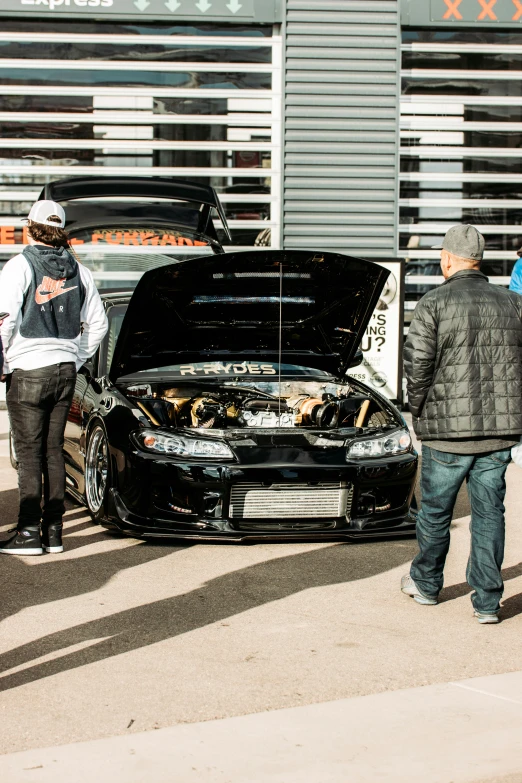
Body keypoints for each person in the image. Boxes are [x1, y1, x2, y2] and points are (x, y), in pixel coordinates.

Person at [401, 225, 522, 624]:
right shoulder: (513, 302)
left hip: (447, 432)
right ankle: (487, 603)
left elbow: (417, 367)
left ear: (448, 259)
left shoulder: (433, 302)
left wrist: (418, 410)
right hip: (499, 431)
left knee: (434, 512)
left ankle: (426, 584)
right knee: (490, 515)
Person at [0, 200, 108, 556]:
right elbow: (99, 324)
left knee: (29, 454)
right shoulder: (80, 270)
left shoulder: (19, 266)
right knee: (53, 451)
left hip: (29, 370)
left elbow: (4, 321)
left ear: (30, 228)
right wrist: (74, 358)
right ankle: (54, 533)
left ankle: (29, 534)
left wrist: (3, 364)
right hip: (64, 371)